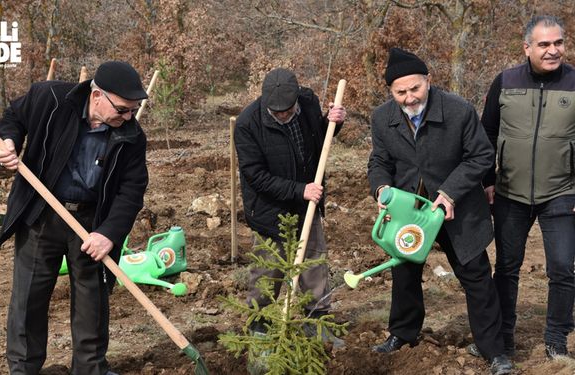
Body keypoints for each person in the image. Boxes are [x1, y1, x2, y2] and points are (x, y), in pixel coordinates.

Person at [0, 61, 149, 374]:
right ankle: (23, 368)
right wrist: (7, 143)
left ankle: (90, 369)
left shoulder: (131, 136)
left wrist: (108, 234)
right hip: (41, 215)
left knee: (93, 304)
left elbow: (132, 191)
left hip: (92, 223)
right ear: (96, 97)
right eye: (122, 109)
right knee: (29, 301)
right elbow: (13, 116)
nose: (128, 117)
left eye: (133, 110)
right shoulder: (49, 99)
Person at [367, 48, 512, 375]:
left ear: (428, 81)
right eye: (399, 92)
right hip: (409, 210)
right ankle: (402, 333)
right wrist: (381, 189)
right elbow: (379, 162)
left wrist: (450, 192)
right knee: (404, 274)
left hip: (456, 210)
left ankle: (494, 350)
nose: (408, 98)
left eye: (414, 88)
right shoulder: (382, 118)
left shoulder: (458, 110)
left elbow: (480, 156)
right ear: (391, 92)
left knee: (476, 277)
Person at [481, 15, 575, 359]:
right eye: (544, 44)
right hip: (510, 192)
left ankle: (555, 340)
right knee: (506, 266)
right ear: (527, 48)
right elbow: (486, 133)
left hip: (562, 192)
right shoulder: (505, 81)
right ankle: (502, 338)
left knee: (563, 268)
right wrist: (488, 181)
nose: (553, 51)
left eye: (559, 43)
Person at [234, 68, 346, 344]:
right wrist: (300, 190)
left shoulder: (307, 101)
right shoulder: (249, 124)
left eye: (287, 110)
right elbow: (255, 176)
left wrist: (332, 122)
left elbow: (318, 141)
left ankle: (316, 322)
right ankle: (258, 325)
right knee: (269, 268)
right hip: (270, 209)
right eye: (276, 112)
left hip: (308, 202)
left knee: (314, 264)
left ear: (296, 99)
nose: (282, 115)